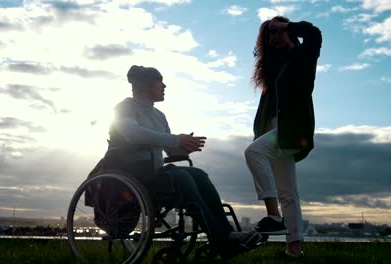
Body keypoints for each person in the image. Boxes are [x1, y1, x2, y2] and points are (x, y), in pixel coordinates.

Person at [97, 65, 263, 260]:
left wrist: (184, 147)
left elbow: (168, 149)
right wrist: (176, 139)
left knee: (199, 175)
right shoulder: (125, 107)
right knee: (181, 176)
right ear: (146, 85)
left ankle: (228, 233)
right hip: (132, 174)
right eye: (160, 82)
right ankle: (222, 241)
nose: (164, 86)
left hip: (153, 173)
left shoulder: (159, 116)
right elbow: (132, 133)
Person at [244, 16, 322, 258]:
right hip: (273, 132)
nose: (273, 37)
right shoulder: (273, 67)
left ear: (289, 32)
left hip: (291, 131)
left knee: (253, 152)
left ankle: (273, 216)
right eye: (269, 34)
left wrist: (288, 26)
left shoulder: (303, 57)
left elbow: (315, 34)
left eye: (277, 32)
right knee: (288, 192)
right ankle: (294, 250)